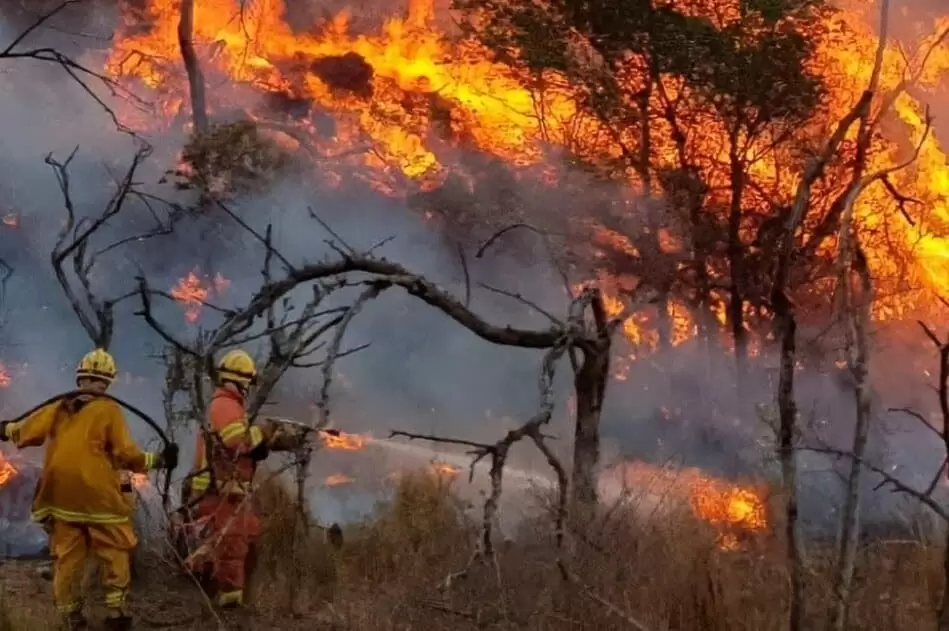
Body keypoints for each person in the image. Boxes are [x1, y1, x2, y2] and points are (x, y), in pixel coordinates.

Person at [0, 348, 179, 631]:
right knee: (115, 548)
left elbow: (27, 430)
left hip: (59, 495)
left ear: (79, 377)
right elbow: (126, 455)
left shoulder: (60, 405)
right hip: (98, 497)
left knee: (67, 555)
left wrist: (6, 429)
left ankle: (72, 618)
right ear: (108, 381)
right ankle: (116, 612)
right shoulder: (109, 410)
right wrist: (158, 460)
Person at [181, 349, 305, 611]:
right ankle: (229, 606)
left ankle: (217, 591)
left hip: (229, 490)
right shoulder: (225, 405)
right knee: (231, 547)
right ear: (239, 380)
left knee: (245, 536)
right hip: (220, 491)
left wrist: (271, 442)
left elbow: (240, 446)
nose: (249, 387)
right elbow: (236, 440)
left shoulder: (229, 405)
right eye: (248, 381)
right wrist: (264, 431)